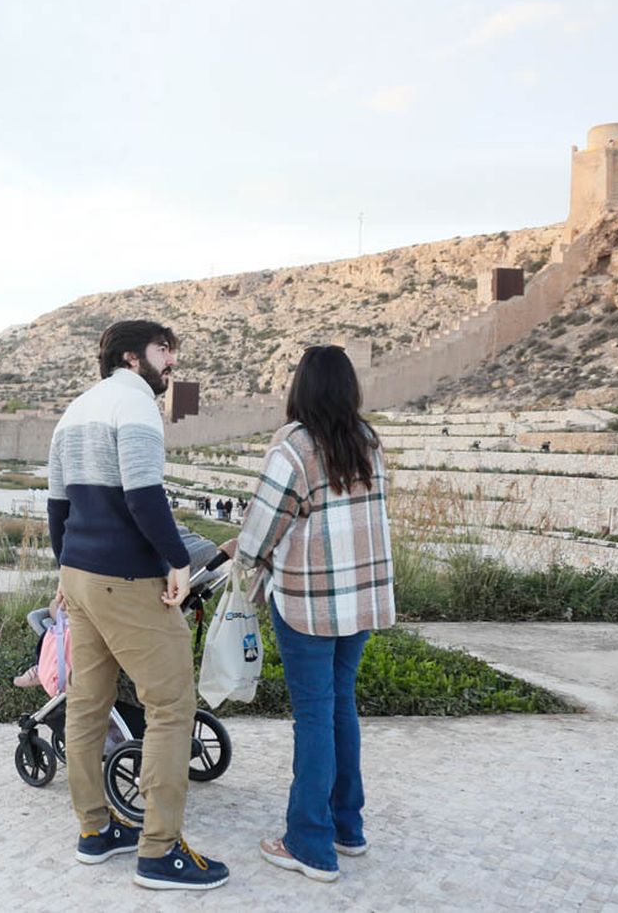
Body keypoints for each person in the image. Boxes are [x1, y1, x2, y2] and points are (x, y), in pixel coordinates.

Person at [47, 320, 228, 891]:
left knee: (86, 704)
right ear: (132, 357)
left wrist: (66, 566)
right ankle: (160, 850)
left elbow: (57, 505)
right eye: (164, 350)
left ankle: (94, 832)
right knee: (173, 704)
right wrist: (177, 560)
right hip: (126, 579)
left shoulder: (75, 410)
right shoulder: (137, 405)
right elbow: (144, 493)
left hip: (81, 576)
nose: (171, 363)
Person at [227, 345, 395, 884]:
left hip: (308, 604)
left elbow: (261, 529)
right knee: (341, 704)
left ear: (300, 388)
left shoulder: (295, 447)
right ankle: (348, 827)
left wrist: (243, 559)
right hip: (362, 600)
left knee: (315, 715)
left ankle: (310, 843)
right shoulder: (369, 443)